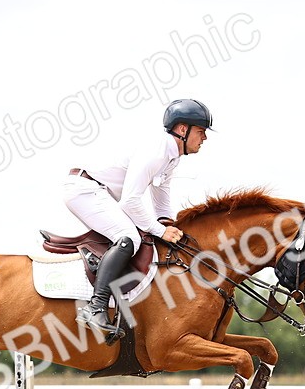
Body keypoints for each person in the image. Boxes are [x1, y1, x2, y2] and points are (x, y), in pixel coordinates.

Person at [63, 98, 212, 334]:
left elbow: (161, 200)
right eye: (201, 131)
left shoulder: (171, 157)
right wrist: (160, 230)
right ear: (183, 130)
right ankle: (95, 307)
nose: (204, 138)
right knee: (128, 237)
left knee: (140, 233)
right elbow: (130, 201)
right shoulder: (157, 151)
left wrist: (168, 225)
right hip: (85, 189)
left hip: (99, 192)